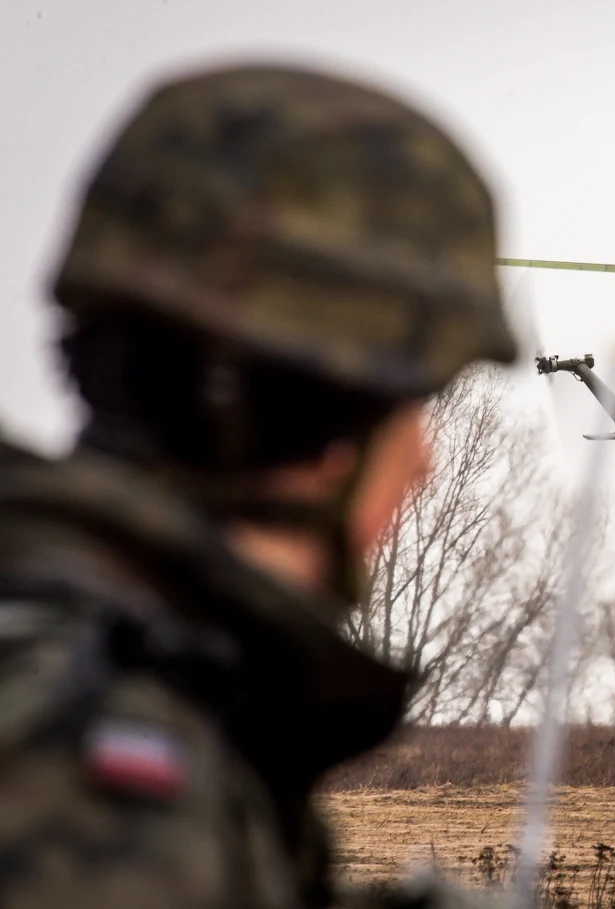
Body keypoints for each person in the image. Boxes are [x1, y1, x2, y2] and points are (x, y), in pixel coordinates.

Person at [0, 64, 516, 907]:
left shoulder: (104, 666)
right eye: (410, 408)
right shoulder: (104, 772)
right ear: (322, 434)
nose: (424, 460)